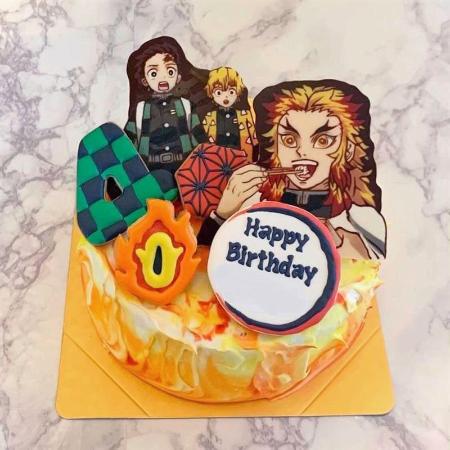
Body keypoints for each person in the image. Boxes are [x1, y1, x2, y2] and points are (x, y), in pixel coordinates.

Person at [198, 80, 386, 259]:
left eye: (323, 140)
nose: (302, 151)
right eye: (289, 140)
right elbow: (204, 256)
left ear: (348, 150)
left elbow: (367, 265)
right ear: (275, 148)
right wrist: (223, 213)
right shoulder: (252, 204)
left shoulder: (362, 220)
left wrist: (343, 248)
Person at [124, 36, 209, 177]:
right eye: (154, 73)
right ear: (145, 80)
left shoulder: (186, 105)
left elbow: (199, 138)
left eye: (170, 71)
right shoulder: (140, 110)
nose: (163, 78)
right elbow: (128, 144)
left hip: (185, 169)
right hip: (151, 171)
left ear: (178, 77)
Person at [203, 67, 258, 160]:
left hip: (242, 159)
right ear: (211, 94)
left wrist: (255, 160)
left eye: (231, 92)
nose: (226, 96)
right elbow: (203, 142)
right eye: (219, 92)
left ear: (238, 92)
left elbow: (254, 139)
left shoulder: (245, 115)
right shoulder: (209, 117)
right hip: (216, 160)